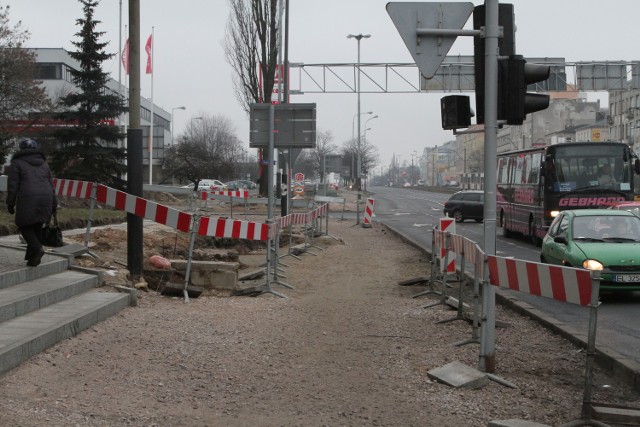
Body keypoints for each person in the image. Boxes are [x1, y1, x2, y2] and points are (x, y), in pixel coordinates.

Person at [6, 139, 57, 267]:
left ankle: (37, 249)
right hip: (47, 197)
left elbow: (13, 185)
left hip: (28, 197)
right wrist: (54, 204)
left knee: (23, 225)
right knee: (37, 224)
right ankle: (32, 258)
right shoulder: (44, 164)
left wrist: (10, 203)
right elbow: (51, 185)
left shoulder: (17, 163)